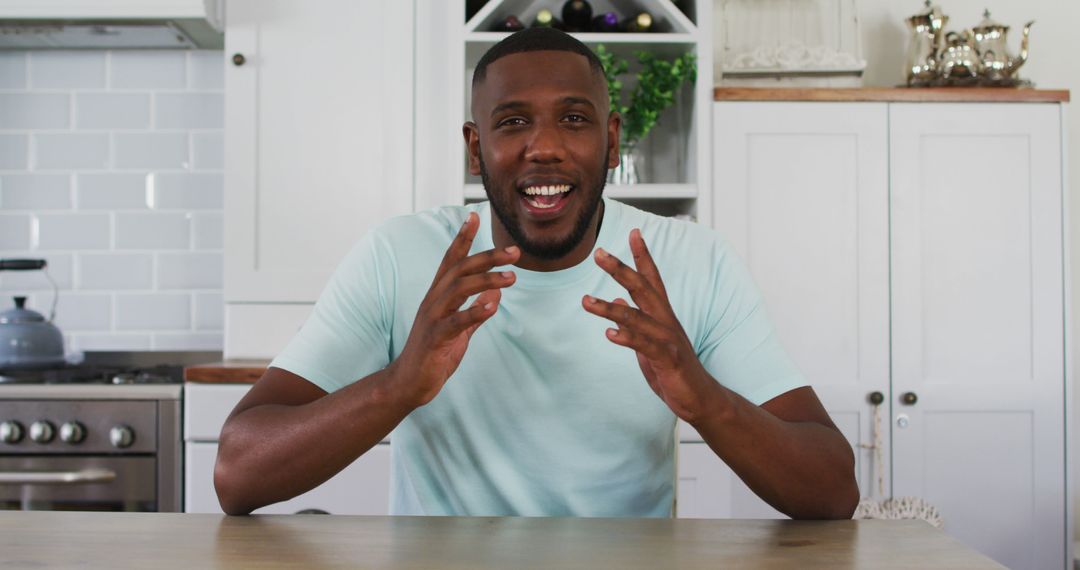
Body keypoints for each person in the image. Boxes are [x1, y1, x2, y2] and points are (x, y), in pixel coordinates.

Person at [214, 28, 859, 519]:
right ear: (475, 147)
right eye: (513, 121)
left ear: (611, 140)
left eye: (574, 120)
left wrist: (702, 398)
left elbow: (833, 490)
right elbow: (238, 473)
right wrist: (398, 386)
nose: (544, 146)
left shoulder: (693, 262)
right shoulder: (399, 255)